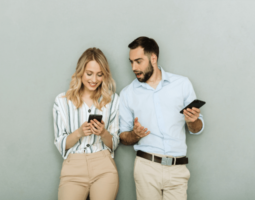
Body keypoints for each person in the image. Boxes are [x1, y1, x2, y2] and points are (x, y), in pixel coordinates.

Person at [119, 36, 205, 200]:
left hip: (178, 169)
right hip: (146, 169)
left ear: (153, 58)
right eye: (131, 62)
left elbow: (197, 128)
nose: (133, 67)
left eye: (138, 61)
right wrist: (135, 135)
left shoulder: (182, 84)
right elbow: (123, 137)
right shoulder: (127, 94)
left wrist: (193, 121)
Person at [53, 47, 120, 200]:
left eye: (99, 74)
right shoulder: (62, 102)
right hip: (73, 167)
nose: (94, 80)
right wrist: (79, 133)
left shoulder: (113, 100)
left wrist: (103, 133)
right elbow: (61, 143)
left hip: (103, 165)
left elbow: (114, 143)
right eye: (89, 74)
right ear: (80, 72)